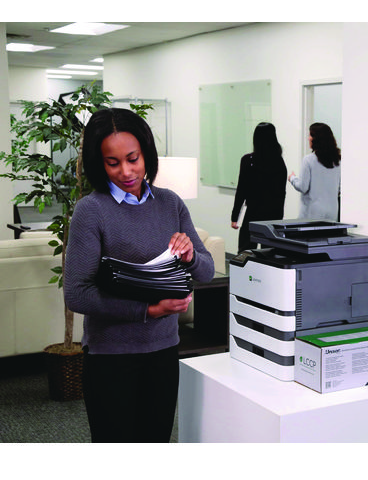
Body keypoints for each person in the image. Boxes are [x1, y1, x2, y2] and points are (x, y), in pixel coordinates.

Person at [64, 107, 214, 443]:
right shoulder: (91, 211)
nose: (126, 171)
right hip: (111, 357)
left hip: (163, 351)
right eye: (112, 162)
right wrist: (149, 310)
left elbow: (206, 271)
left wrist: (190, 255)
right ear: (99, 163)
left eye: (133, 158)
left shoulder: (170, 203)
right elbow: (77, 294)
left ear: (146, 153)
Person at [231, 122, 287, 252]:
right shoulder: (279, 162)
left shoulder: (248, 160)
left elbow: (241, 191)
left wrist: (235, 217)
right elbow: (281, 193)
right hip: (272, 216)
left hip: (252, 214)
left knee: (246, 252)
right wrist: (279, 219)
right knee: (269, 253)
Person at [288, 122, 341, 220]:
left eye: (310, 135)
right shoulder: (338, 161)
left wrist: (292, 178)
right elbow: (339, 189)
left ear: (317, 139)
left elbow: (303, 187)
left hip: (311, 214)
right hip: (332, 213)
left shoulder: (308, 160)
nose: (308, 138)